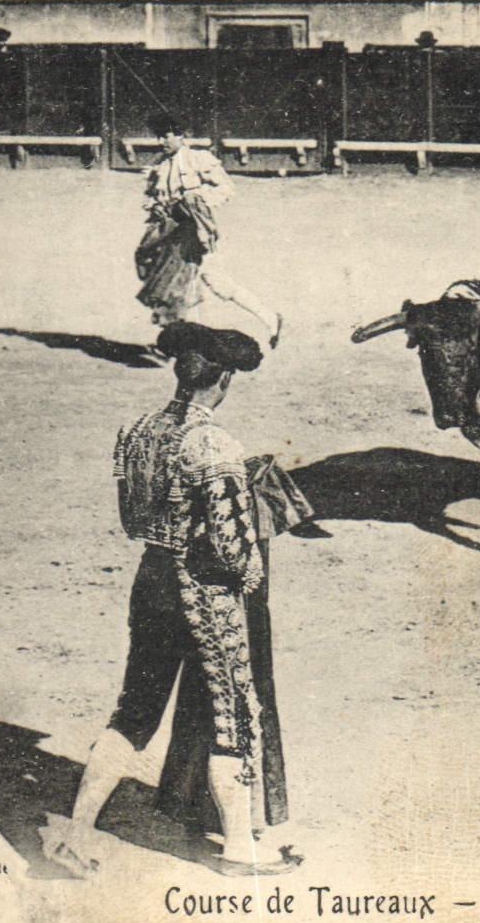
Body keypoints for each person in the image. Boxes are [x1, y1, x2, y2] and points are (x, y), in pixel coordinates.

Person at [43, 321, 300, 878]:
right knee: (231, 712)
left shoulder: (135, 432)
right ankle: (239, 847)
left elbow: (131, 518)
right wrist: (252, 568)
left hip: (152, 579)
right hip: (204, 594)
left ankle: (76, 830)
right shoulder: (214, 443)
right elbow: (232, 549)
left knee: (135, 708)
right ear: (224, 379)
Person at [134, 120, 282, 347]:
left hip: (194, 233)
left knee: (209, 283)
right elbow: (150, 198)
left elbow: (226, 188)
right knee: (172, 279)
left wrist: (196, 200)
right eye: (159, 136)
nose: (161, 141)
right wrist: (156, 206)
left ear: (181, 135)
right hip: (170, 236)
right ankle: (173, 336)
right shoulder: (160, 166)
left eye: (166, 135)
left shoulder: (197, 159)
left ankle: (269, 318)